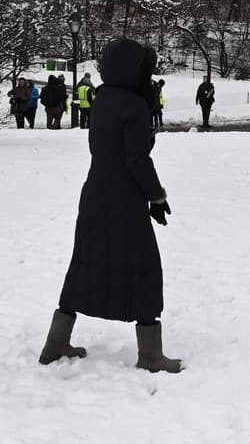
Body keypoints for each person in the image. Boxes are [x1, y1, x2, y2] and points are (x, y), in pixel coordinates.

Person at [38, 38, 182, 374]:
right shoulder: (133, 105)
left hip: (94, 195)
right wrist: (157, 196)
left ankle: (56, 341)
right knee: (145, 268)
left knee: (85, 264)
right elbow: (136, 159)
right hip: (125, 201)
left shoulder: (102, 99)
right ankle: (150, 355)